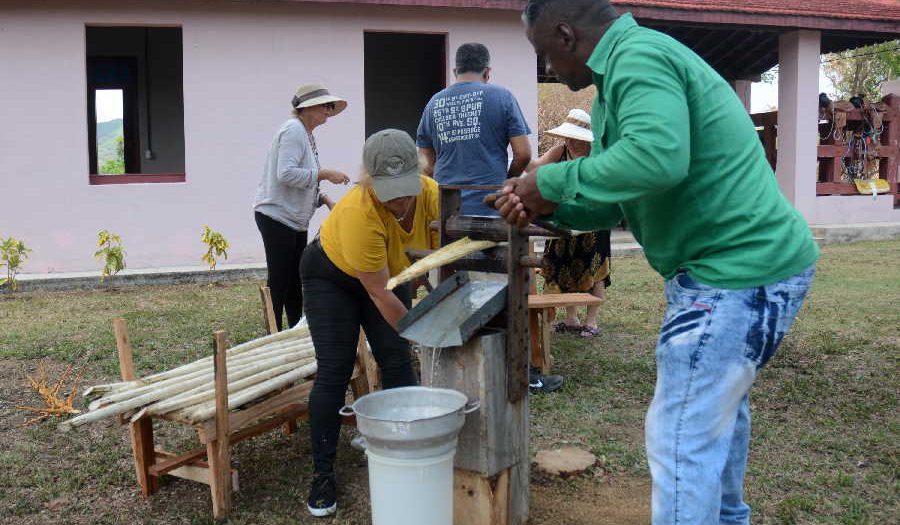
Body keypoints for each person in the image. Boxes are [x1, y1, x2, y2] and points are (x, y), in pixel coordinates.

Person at [493, 1, 819, 523]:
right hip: (746, 269)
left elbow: (656, 158)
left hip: (734, 274)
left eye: (544, 54)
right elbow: (621, 194)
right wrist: (543, 204)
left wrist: (548, 181)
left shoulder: (638, 58)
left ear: (565, 34)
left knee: (682, 437)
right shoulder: (622, 78)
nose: (548, 68)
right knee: (714, 419)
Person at [300, 129, 440, 517]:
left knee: (396, 358)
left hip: (390, 276)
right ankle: (323, 474)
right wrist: (426, 334)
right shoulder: (359, 213)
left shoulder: (432, 193)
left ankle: (408, 450)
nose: (399, 200)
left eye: (405, 188)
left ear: (420, 175)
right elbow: (379, 294)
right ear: (369, 182)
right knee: (336, 368)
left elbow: (442, 248)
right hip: (332, 277)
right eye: (388, 190)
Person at [253, 83, 350, 331]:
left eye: (331, 107)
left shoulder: (307, 135)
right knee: (280, 278)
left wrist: (325, 200)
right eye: (325, 106)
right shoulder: (293, 131)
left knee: (295, 278)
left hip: (294, 218)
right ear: (308, 108)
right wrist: (325, 174)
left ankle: (295, 329)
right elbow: (286, 174)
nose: (329, 111)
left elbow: (302, 181)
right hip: (277, 215)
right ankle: (271, 334)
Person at [416, 42, 532, 216]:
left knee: (449, 245)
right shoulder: (503, 98)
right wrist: (504, 185)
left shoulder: (433, 103)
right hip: (491, 208)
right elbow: (523, 154)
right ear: (487, 72)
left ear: (456, 72)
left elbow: (425, 163)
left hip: (445, 210)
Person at [529, 108, 610, 338]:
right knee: (561, 265)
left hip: (594, 220)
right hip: (564, 219)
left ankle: (591, 321)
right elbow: (534, 169)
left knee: (595, 269)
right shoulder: (559, 152)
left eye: (576, 138)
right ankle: (571, 318)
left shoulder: (598, 155)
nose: (571, 142)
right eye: (568, 137)